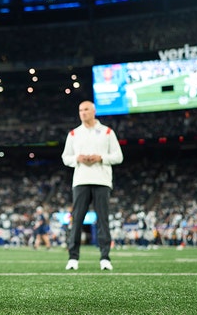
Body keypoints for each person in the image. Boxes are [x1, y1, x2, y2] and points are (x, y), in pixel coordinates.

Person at [62, 100, 123, 271]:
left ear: (94, 111)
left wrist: (101, 157)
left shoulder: (107, 132)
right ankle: (73, 258)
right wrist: (77, 159)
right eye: (80, 110)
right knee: (77, 220)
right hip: (81, 180)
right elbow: (65, 158)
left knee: (103, 220)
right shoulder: (74, 134)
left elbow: (118, 156)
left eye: (86, 109)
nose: (83, 113)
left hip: (102, 181)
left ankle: (105, 258)